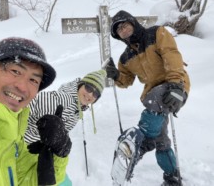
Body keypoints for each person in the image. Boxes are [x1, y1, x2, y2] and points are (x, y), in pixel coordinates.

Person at [106, 10, 190, 186]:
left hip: (175, 84)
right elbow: (126, 80)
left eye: (125, 25)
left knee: (152, 101)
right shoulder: (126, 57)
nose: (123, 30)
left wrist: (176, 85)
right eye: (119, 30)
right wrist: (115, 75)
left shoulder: (156, 33)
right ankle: (172, 176)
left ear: (133, 22)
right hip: (154, 95)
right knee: (161, 139)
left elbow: (171, 54)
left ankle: (140, 143)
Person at [0, 37, 71, 185]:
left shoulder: (11, 135)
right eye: (15, 71)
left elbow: (23, 179)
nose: (23, 87)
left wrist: (58, 152)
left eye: (33, 80)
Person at [24, 69, 107, 186]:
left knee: (65, 182)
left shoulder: (77, 108)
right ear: (80, 85)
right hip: (26, 150)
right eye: (88, 88)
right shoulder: (61, 99)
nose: (90, 95)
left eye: (95, 94)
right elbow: (24, 106)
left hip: (43, 153)